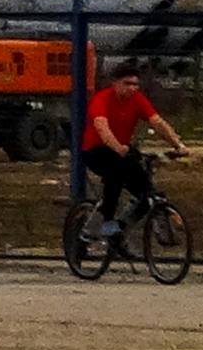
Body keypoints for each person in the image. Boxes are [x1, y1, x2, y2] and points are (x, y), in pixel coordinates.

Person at [78, 68, 189, 243]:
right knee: (114, 182)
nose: (132, 88)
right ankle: (98, 228)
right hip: (96, 151)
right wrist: (117, 147)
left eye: (136, 84)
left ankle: (120, 231)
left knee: (146, 194)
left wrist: (178, 145)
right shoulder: (103, 98)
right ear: (115, 83)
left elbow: (157, 123)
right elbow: (102, 127)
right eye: (127, 84)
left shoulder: (137, 100)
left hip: (122, 152)